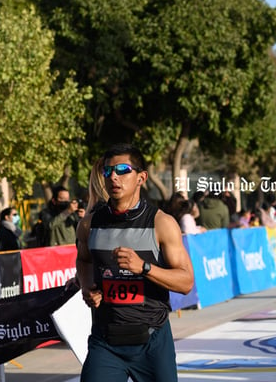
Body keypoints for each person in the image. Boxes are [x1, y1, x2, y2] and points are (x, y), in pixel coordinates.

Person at [76, 143, 195, 382]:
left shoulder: (161, 223)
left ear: (141, 177)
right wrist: (88, 287)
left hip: (151, 341)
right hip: (106, 342)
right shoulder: (89, 224)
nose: (114, 177)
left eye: (122, 170)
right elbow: (84, 260)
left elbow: (186, 282)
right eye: (108, 172)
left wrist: (145, 267)